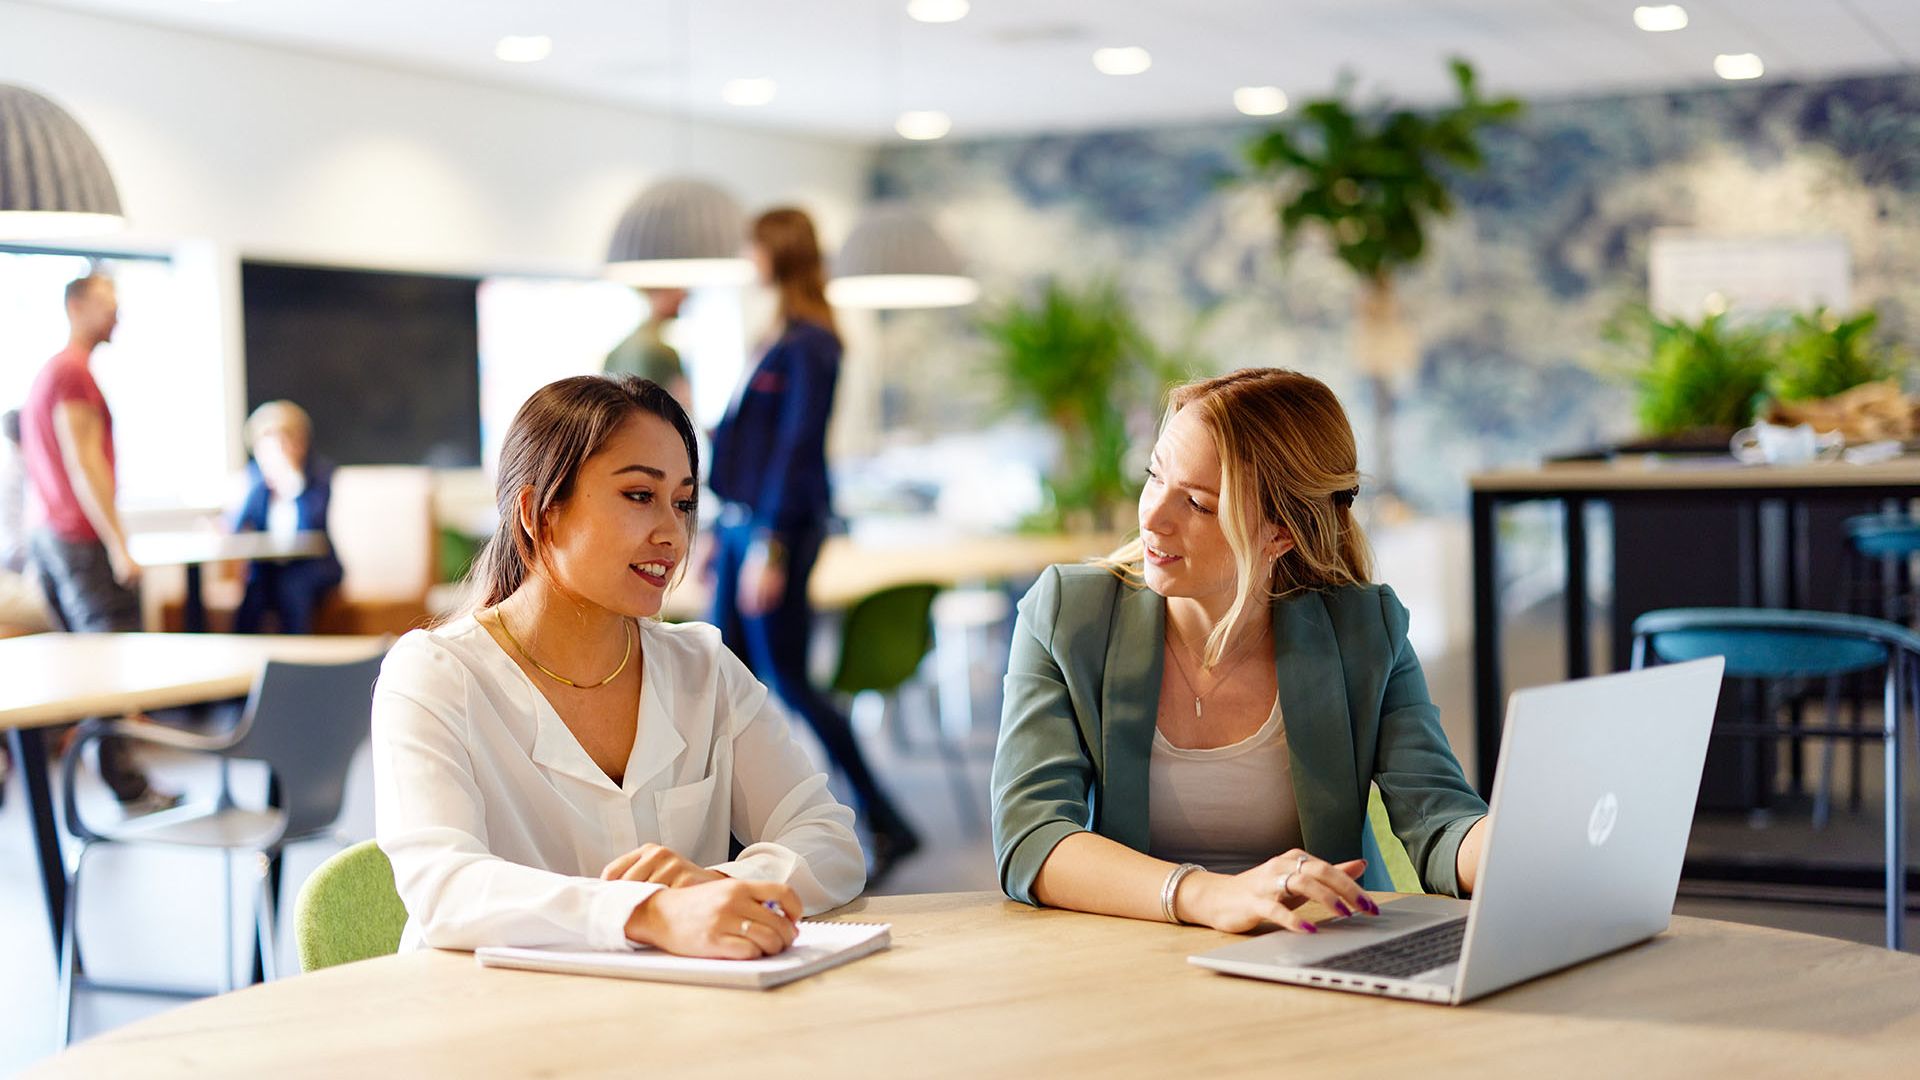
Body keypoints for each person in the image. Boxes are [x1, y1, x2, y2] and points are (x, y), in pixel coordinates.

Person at [372, 374, 864, 956]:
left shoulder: (702, 667)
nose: (673, 535)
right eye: (639, 496)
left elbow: (829, 839)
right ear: (538, 512)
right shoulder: (433, 675)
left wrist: (715, 888)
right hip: (495, 1027)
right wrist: (649, 913)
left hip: (674, 1022)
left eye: (682, 504)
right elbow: (445, 889)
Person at [991, 368, 1489, 933]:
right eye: (1154, 477)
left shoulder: (1363, 630)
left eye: (1198, 504)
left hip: (1317, 951)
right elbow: (1030, 836)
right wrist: (1207, 895)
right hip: (1132, 956)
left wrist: (1520, 840)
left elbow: (1442, 822)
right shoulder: (1069, 615)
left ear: (1281, 534)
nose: (1153, 517)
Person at [707, 207, 921, 879]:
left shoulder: (813, 344)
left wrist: (768, 545)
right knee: (722, 678)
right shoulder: (773, 336)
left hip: (779, 532)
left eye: (752, 245)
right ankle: (728, 836)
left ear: (776, 251)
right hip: (741, 525)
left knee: (790, 681)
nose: (745, 256)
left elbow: (797, 451)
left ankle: (884, 819)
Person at [19, 272, 178, 815]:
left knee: (85, 663)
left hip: (50, 536)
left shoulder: (52, 374)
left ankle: (101, 778)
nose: (117, 315)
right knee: (111, 661)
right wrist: (117, 543)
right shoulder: (72, 375)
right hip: (78, 539)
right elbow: (84, 462)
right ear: (77, 305)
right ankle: (125, 785)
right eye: (109, 304)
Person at [230, 400, 344, 634]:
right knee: (254, 590)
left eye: (283, 443)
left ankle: (297, 658)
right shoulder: (257, 481)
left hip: (312, 567)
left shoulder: (320, 477)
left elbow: (311, 528)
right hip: (270, 568)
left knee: (292, 588)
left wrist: (292, 481)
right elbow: (238, 525)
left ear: (299, 443)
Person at [604, 287, 693, 417]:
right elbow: (684, 406)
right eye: (676, 291)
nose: (683, 297)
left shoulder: (617, 350)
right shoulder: (663, 352)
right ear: (656, 294)